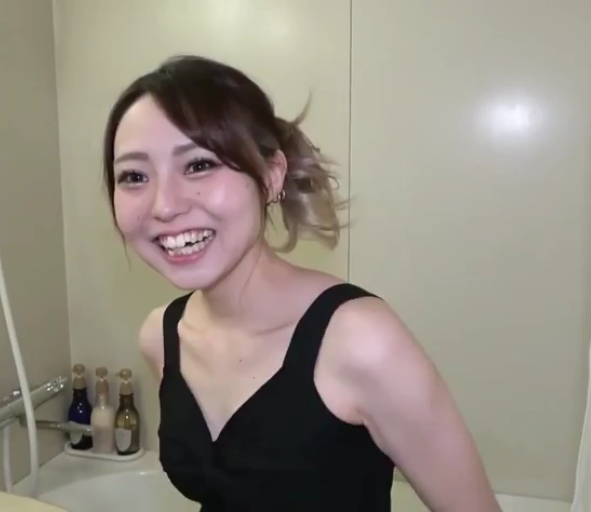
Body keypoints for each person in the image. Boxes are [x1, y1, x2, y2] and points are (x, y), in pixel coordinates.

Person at [102, 54, 501, 512]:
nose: (164, 206)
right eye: (134, 176)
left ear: (271, 176)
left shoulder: (360, 340)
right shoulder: (160, 337)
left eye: (198, 165)